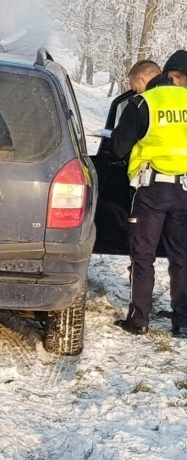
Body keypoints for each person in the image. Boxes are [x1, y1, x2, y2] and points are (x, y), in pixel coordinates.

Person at [110, 59, 187, 337]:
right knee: (181, 256)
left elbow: (118, 147)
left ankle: (139, 319)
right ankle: (183, 321)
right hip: (184, 191)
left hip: (151, 189)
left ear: (141, 81)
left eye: (133, 87)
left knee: (143, 255)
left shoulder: (143, 103)